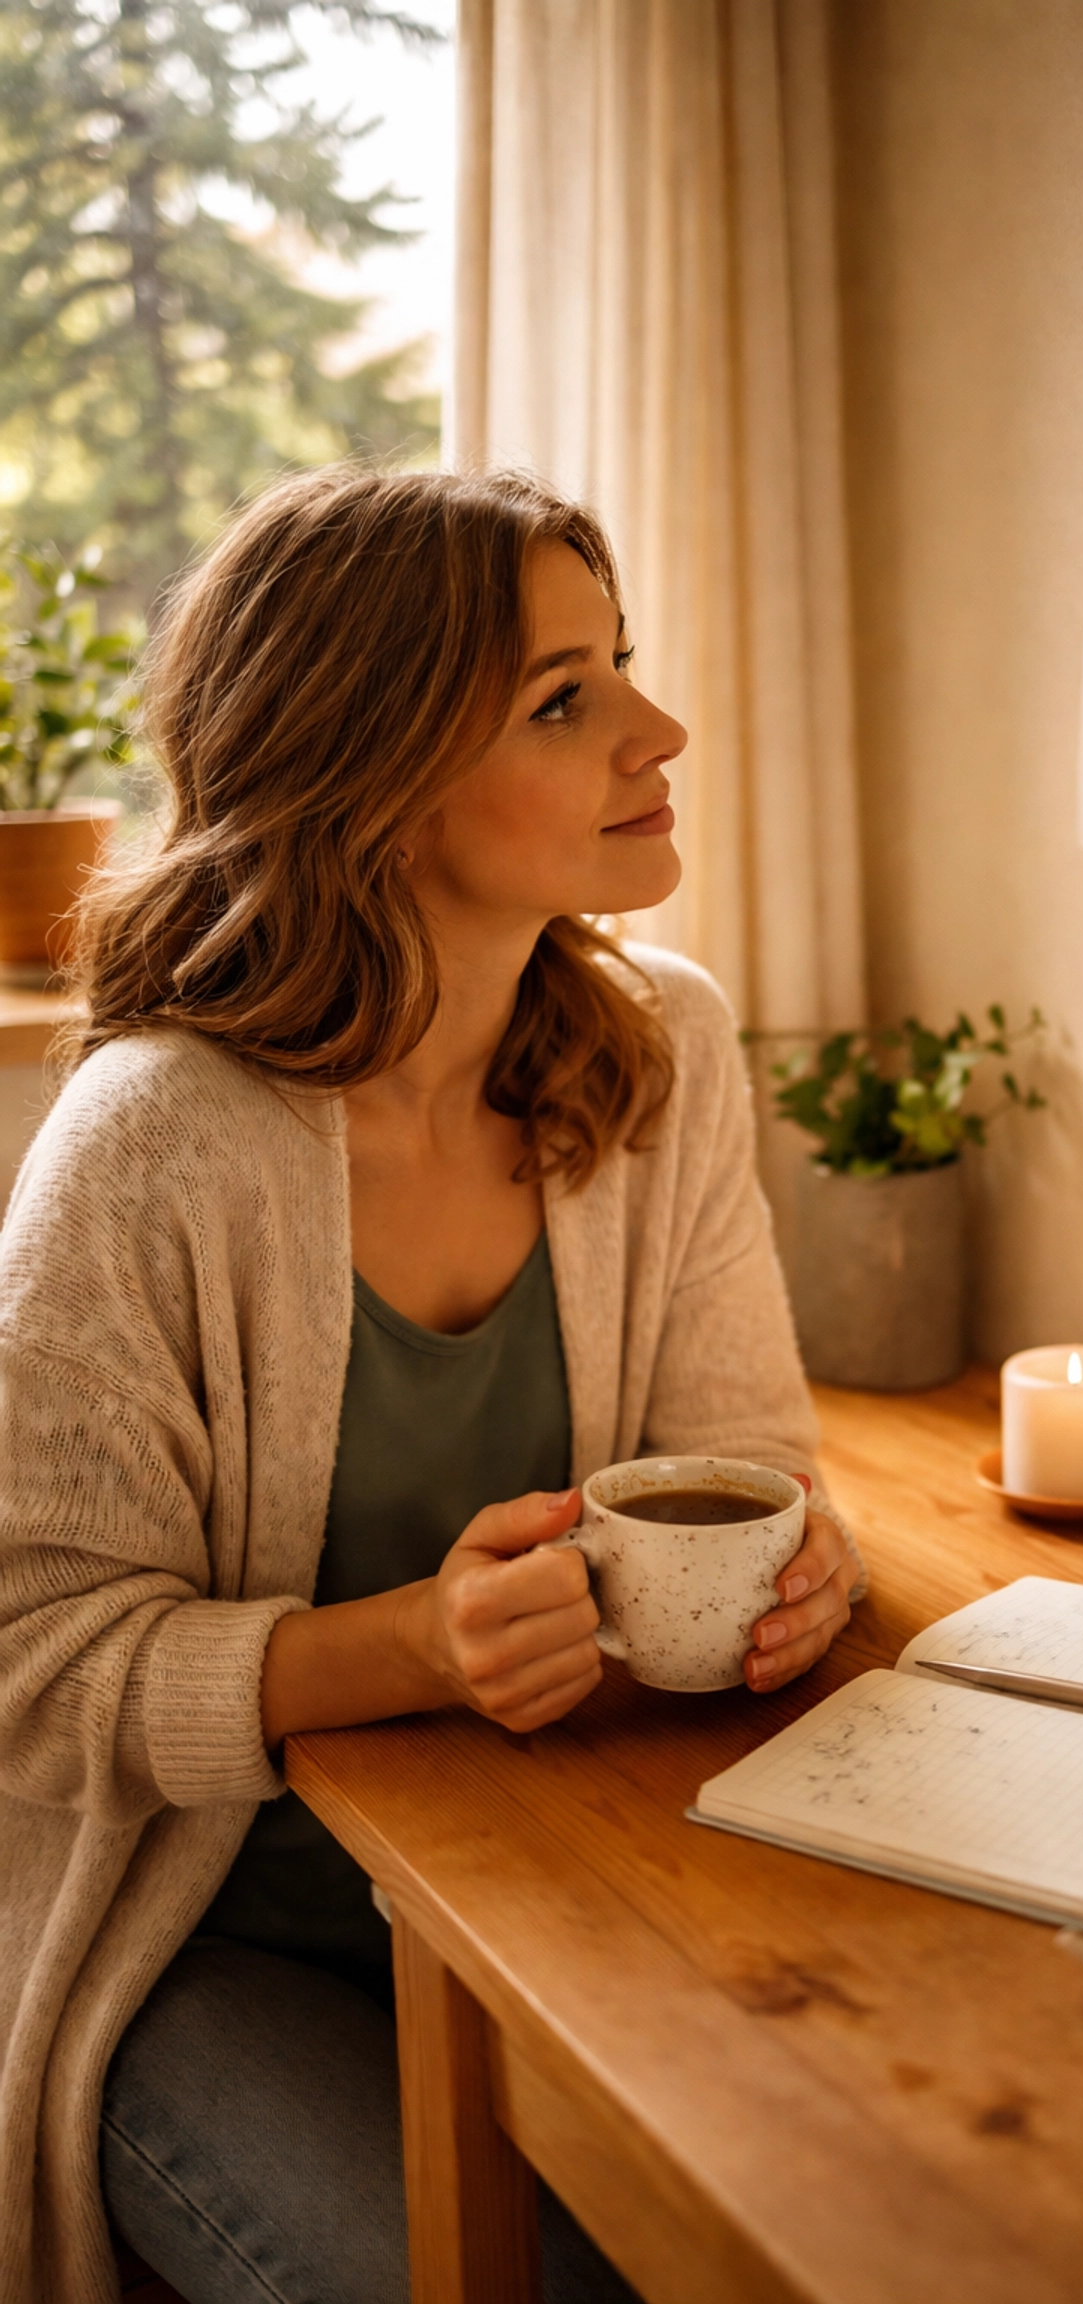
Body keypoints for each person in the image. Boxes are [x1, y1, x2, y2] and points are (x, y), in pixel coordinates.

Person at [0, 467, 863, 2304]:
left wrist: (803, 1574)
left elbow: (752, 1459)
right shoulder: (155, 1141)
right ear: (371, 777)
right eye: (567, 700)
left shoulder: (666, 1048)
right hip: (201, 1937)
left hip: (555, 1883)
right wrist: (403, 1650)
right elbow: (27, 1667)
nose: (663, 727)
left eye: (619, 664)